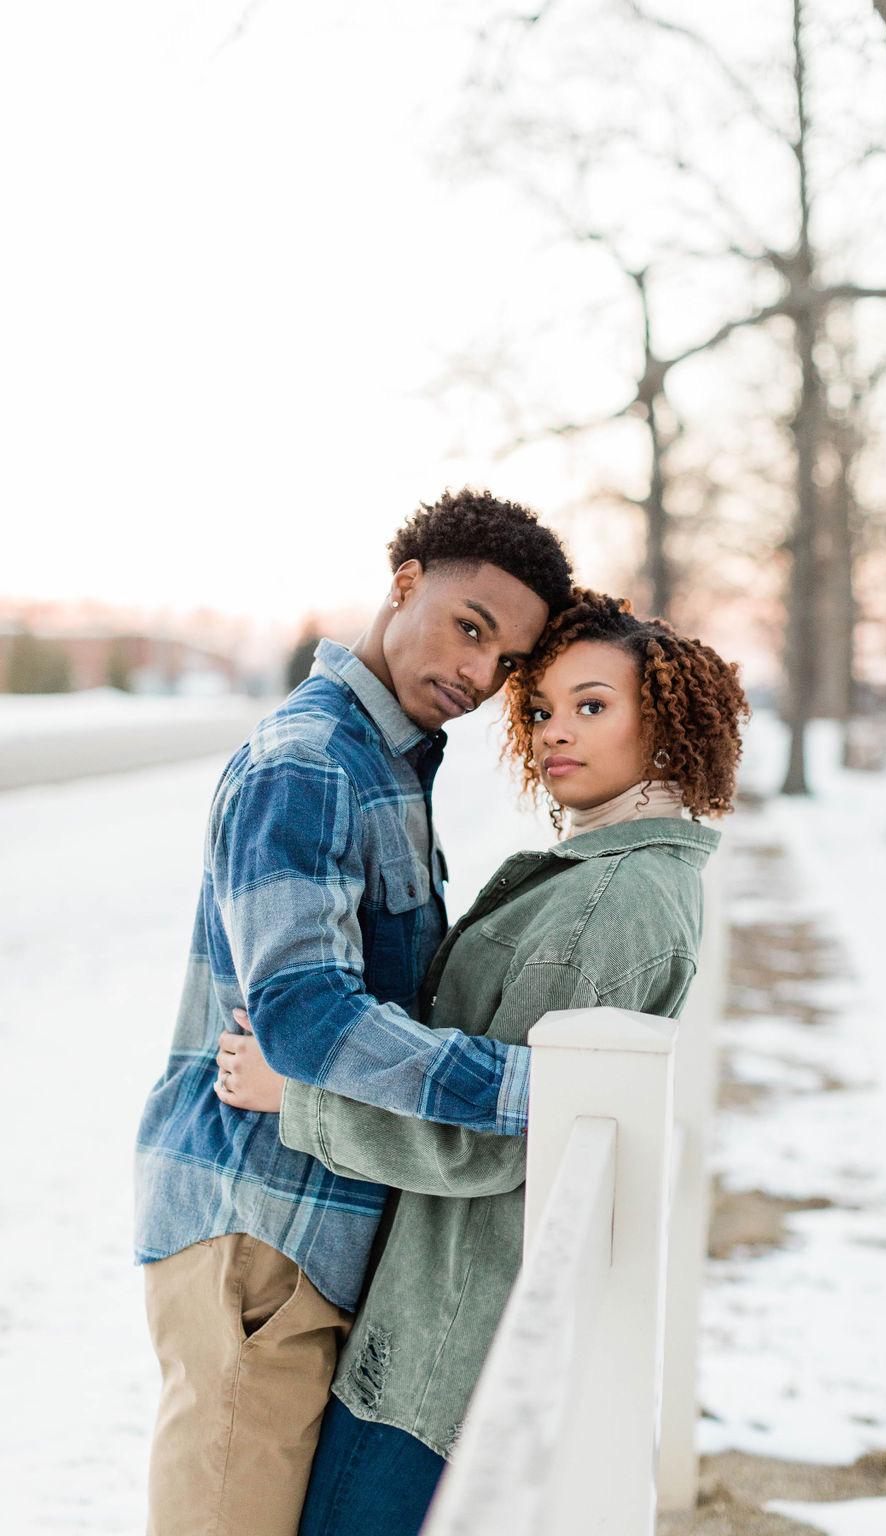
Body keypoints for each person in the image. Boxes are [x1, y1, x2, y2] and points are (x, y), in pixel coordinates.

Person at [218, 589, 751, 1536]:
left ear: (664, 725)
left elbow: (498, 1134)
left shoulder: (611, 902)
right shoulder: (619, 873)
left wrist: (297, 1097)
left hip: (441, 1350)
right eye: (540, 710)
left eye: (592, 705)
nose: (555, 732)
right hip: (451, 1317)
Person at [134, 488, 574, 1536]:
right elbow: (307, 1018)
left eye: (507, 660)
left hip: (308, 1227)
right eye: (470, 628)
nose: (479, 676)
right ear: (404, 583)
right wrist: (533, 1088)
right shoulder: (310, 761)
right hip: (258, 1230)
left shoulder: (382, 763)